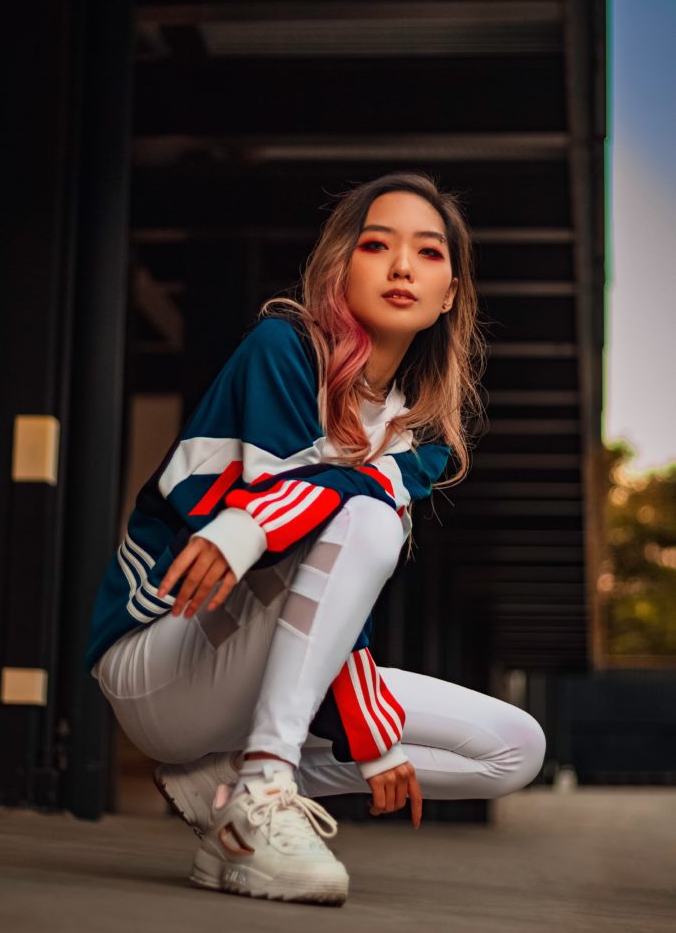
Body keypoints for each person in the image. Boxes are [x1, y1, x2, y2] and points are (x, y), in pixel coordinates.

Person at [86, 171, 547, 907]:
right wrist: (249, 525)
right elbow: (274, 526)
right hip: (162, 653)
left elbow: (317, 556)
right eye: (376, 244)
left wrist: (371, 732)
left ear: (449, 292)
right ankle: (265, 782)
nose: (401, 267)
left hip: (263, 660)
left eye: (427, 254)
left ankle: (225, 790)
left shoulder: (417, 435)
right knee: (360, 515)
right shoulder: (283, 348)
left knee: (514, 748)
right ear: (342, 265)